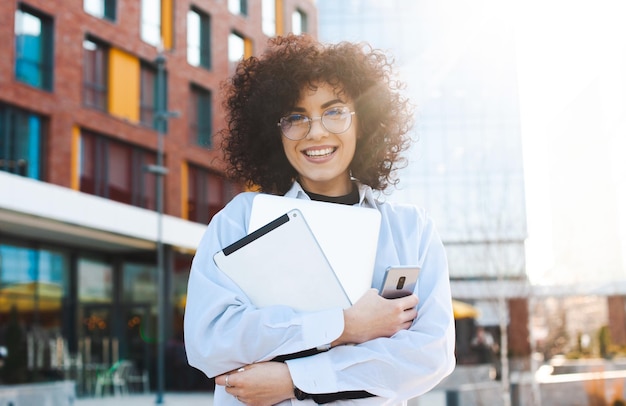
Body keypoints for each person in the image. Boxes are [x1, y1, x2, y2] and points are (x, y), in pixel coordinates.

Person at [184, 34, 455, 405]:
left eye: (334, 111)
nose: (316, 131)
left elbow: (428, 356)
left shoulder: (411, 230)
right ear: (274, 130)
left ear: (365, 123)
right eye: (295, 117)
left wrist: (295, 380)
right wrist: (345, 326)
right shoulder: (241, 220)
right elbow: (210, 341)